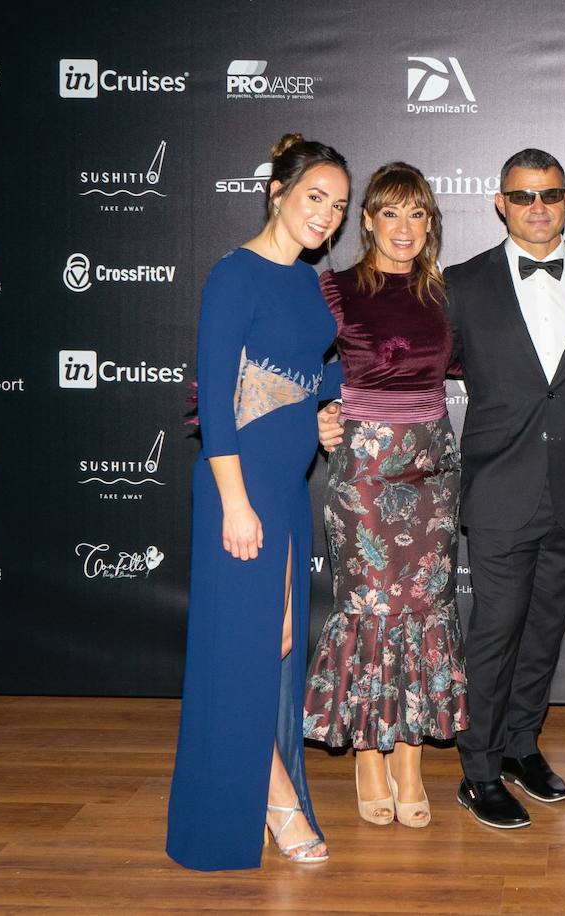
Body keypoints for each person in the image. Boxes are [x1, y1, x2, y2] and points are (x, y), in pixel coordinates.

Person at [328, 149, 565, 828]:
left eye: (549, 194)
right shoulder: (454, 285)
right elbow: (389, 356)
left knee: (545, 633)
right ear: (499, 203)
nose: (537, 207)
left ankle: (521, 746)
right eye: (523, 196)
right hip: (495, 489)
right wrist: (327, 403)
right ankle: (478, 769)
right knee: (492, 633)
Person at [167, 133, 349, 870]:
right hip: (236, 492)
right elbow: (218, 399)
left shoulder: (308, 282)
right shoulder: (233, 277)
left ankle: (264, 789)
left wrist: (321, 411)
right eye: (315, 198)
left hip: (285, 490)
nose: (327, 218)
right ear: (277, 192)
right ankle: (273, 804)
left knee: (275, 646)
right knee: (241, 651)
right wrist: (237, 507)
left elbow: (295, 377)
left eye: (338, 207)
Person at [303, 162, 468, 829]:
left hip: (435, 469)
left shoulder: (448, 295)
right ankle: (370, 754)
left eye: (418, 214)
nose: (404, 228)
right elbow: (280, 362)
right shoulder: (334, 290)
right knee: (370, 607)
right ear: (365, 219)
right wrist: (315, 408)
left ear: (431, 223)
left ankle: (410, 757)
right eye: (390, 213)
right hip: (364, 470)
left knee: (426, 607)